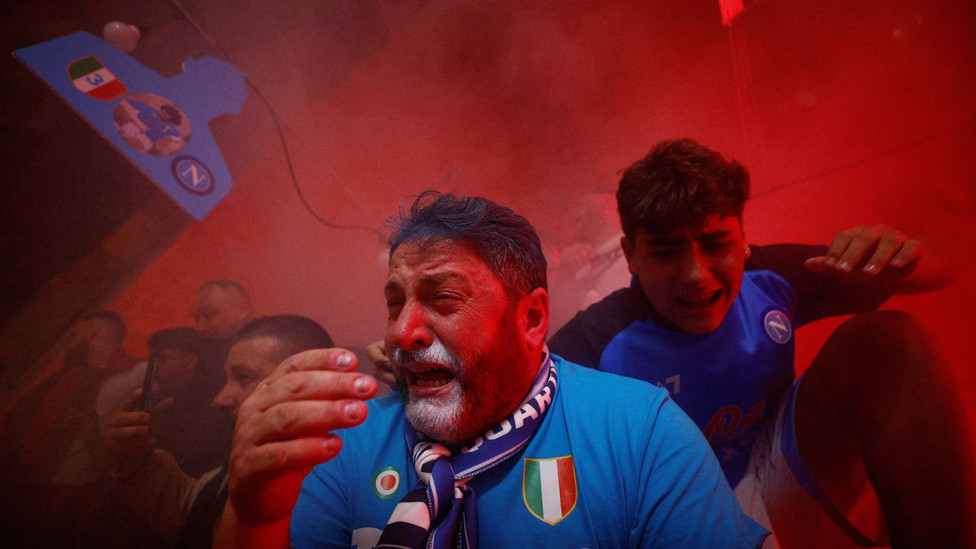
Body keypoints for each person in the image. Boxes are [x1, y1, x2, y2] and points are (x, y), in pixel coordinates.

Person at [214, 191, 767, 549]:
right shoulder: (345, 451)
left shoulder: (641, 433)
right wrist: (254, 518)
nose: (402, 332)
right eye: (393, 302)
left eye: (443, 298)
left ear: (530, 318)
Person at [547, 138, 975, 548]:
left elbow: (945, 268)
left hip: (781, 477)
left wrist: (902, 255)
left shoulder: (770, 277)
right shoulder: (592, 343)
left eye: (715, 244)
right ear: (630, 256)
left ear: (745, 239)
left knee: (890, 341)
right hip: (677, 523)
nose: (696, 275)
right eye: (665, 253)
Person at [103, 315, 334, 548]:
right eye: (226, 379)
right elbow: (195, 513)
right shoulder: (232, 469)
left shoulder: (336, 486)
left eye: (243, 377)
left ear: (305, 383)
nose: (219, 399)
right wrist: (135, 460)